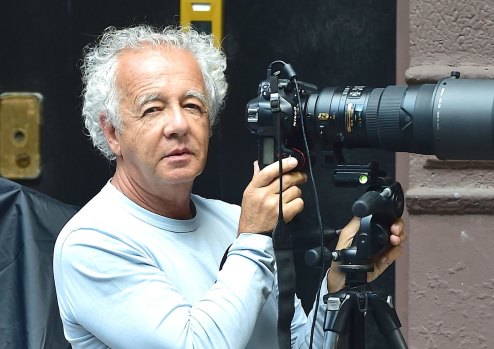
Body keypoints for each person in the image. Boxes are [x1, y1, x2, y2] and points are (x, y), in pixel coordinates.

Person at [53, 25, 407, 349]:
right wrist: (253, 237)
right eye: (153, 109)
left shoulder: (233, 221)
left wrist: (339, 279)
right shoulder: (92, 241)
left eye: (193, 106)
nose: (178, 124)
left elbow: (296, 345)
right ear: (113, 132)